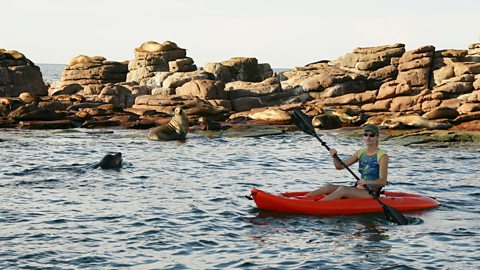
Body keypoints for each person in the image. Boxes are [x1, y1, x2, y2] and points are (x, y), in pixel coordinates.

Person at [305, 124, 389, 201]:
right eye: (365, 135)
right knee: (327, 187)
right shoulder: (360, 153)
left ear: (377, 137)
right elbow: (339, 167)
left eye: (371, 135)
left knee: (343, 189)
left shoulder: (382, 156)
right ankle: (301, 200)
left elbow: (382, 182)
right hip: (358, 189)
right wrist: (334, 156)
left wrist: (366, 182)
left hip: (371, 193)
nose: (368, 137)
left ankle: (316, 205)